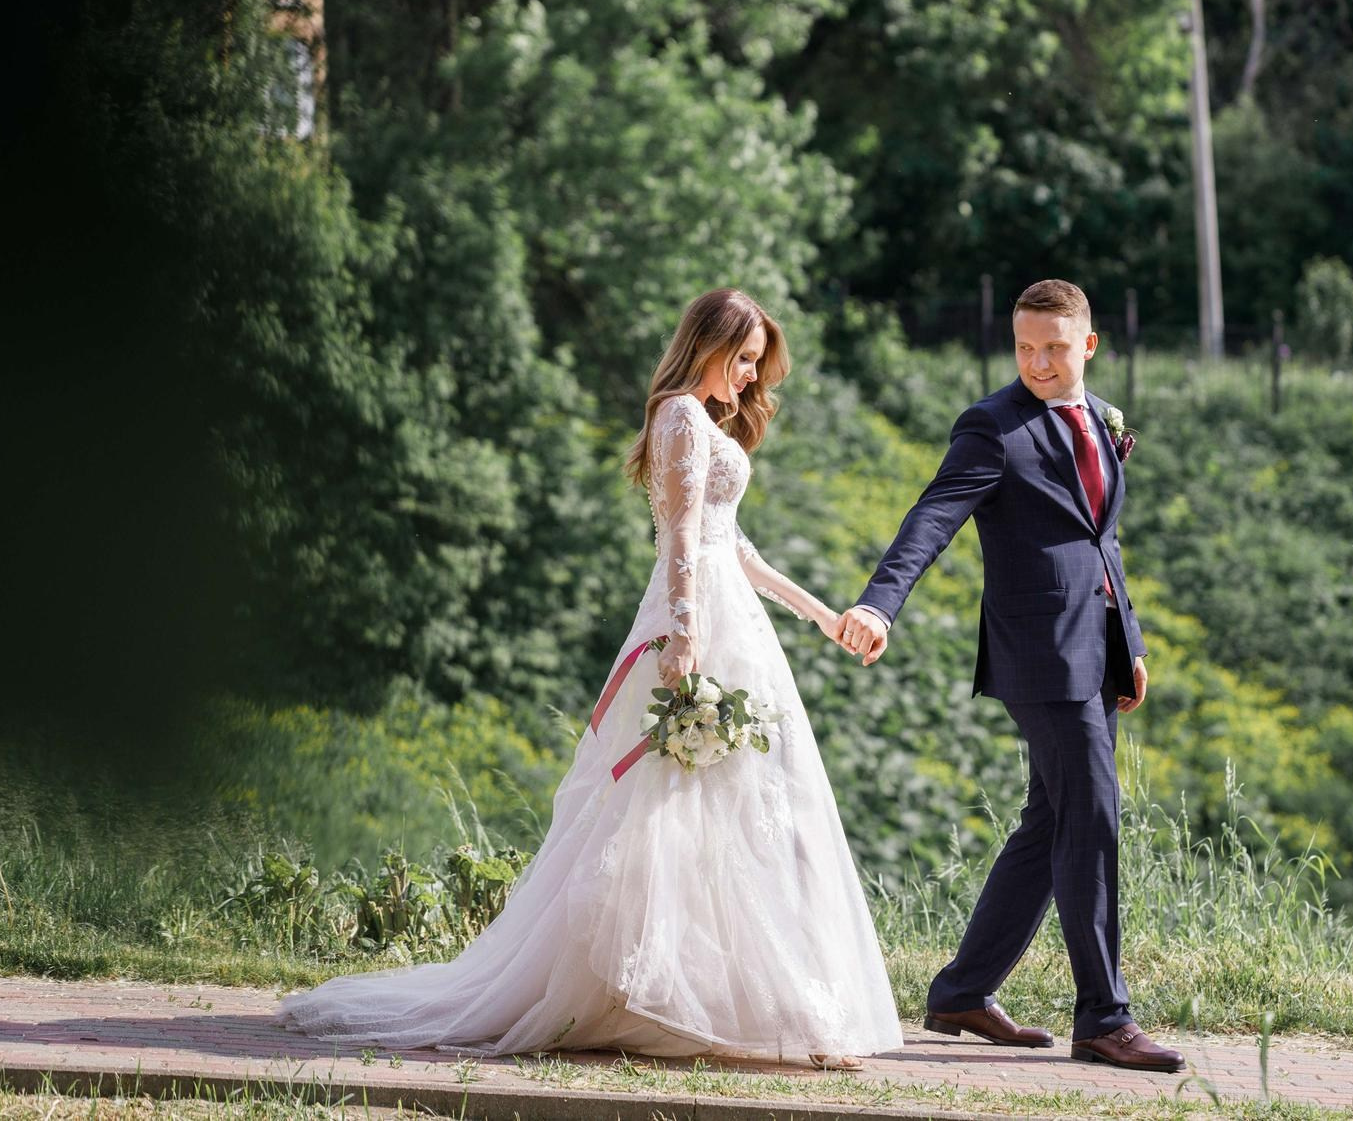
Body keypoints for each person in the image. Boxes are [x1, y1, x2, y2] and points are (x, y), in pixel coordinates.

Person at [277, 288, 902, 1069]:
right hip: (698, 622)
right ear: (706, 344)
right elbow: (680, 536)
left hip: (734, 618)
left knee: (744, 806)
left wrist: (823, 616)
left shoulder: (702, 421)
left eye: (754, 363)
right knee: (665, 803)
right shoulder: (680, 415)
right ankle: (661, 992)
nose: (749, 376)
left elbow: (734, 545)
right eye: (742, 358)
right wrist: (685, 634)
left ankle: (746, 1001)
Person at [838, 278, 1185, 1073]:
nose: (1038, 363)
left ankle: (962, 989)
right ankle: (1104, 1017)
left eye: (1054, 348)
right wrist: (880, 604)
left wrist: (1128, 639)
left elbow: (1102, 539)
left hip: (1095, 649)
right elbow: (932, 516)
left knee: (1051, 820)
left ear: (1087, 345)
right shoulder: (992, 426)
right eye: (1025, 347)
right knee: (1092, 812)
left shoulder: (1102, 419)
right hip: (1037, 655)